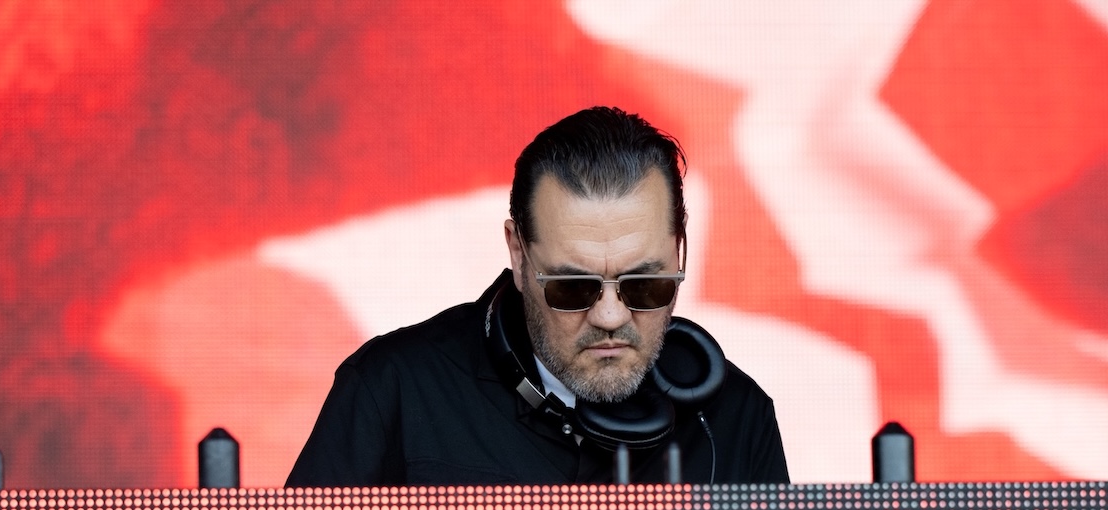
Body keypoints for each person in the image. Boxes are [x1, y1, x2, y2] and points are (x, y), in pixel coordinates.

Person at [286, 106, 788, 486]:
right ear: (519, 256)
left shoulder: (739, 418)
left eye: (644, 285)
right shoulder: (392, 391)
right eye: (573, 287)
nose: (611, 315)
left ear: (679, 253)